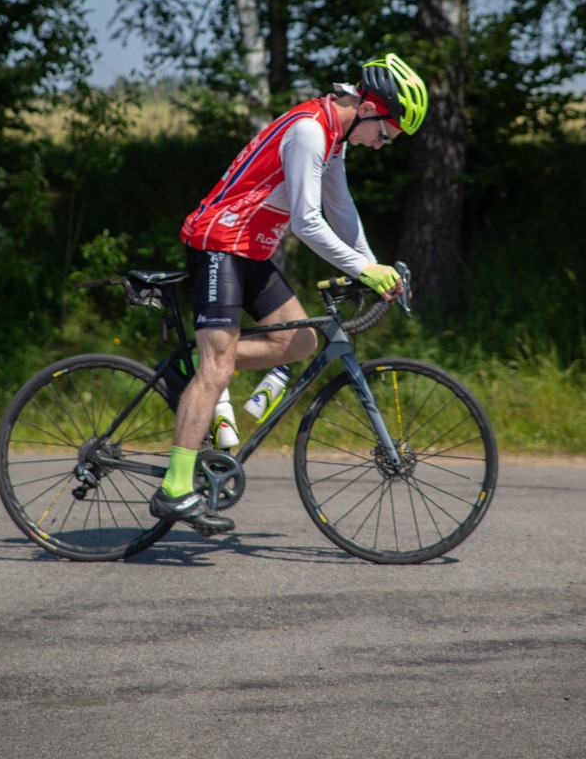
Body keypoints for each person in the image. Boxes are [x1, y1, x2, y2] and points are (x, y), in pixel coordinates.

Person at [149, 52, 429, 535]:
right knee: (219, 366)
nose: (381, 145)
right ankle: (174, 488)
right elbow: (307, 221)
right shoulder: (309, 131)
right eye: (385, 134)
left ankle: (194, 364)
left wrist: (373, 266)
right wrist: (364, 269)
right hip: (219, 243)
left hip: (250, 250)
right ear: (367, 109)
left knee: (299, 342)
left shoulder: (334, 136)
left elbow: (341, 206)